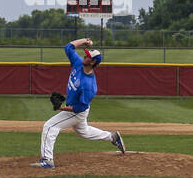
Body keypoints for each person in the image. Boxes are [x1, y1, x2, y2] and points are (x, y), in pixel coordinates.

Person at [34, 37, 126, 168]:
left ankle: (47, 160)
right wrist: (85, 40)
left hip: (78, 111)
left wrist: (61, 108)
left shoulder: (89, 85)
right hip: (78, 109)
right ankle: (112, 137)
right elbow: (68, 47)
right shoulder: (78, 63)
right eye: (86, 54)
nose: (84, 56)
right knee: (84, 132)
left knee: (50, 127)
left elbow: (79, 108)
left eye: (88, 56)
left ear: (93, 62)